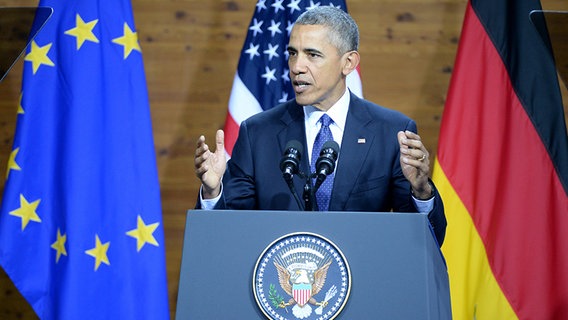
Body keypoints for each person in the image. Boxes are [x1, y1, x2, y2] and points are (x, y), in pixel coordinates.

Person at [193, 6, 446, 245]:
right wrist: (213, 191)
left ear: (348, 63)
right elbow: (230, 232)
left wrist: (421, 190)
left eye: (312, 55)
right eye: (293, 53)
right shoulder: (258, 133)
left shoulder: (391, 132)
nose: (296, 67)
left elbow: (424, 240)